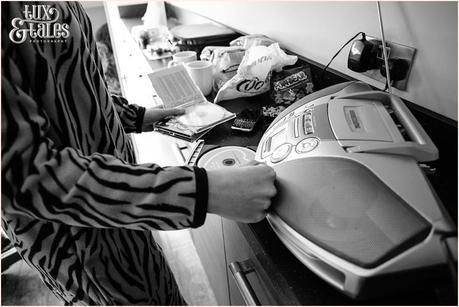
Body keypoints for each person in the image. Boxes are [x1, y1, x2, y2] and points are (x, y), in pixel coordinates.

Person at [1, 2, 276, 305]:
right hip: (80, 244)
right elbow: (22, 178)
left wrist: (137, 115)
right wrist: (203, 193)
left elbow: (70, 95)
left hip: (123, 215)